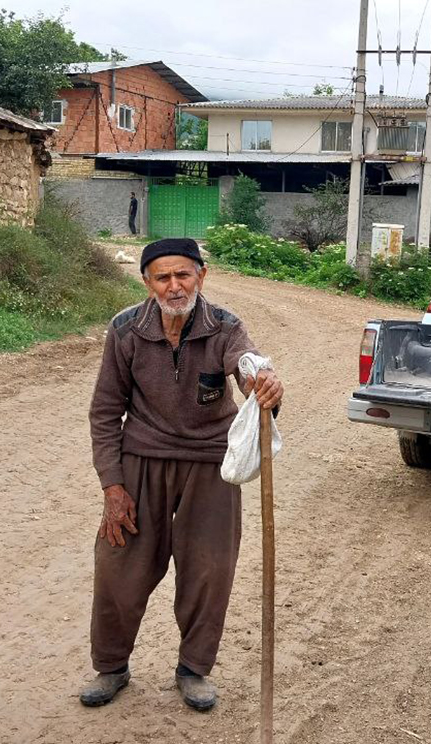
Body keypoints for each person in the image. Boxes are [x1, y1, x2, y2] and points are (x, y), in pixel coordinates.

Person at [83, 237, 283, 711]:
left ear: (201, 276)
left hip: (210, 464)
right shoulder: (126, 330)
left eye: (183, 275)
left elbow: (245, 363)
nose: (175, 286)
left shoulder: (224, 327)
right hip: (141, 462)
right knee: (118, 566)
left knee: (209, 569)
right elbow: (106, 411)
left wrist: (261, 381)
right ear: (147, 283)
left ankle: (193, 669)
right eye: (163, 277)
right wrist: (113, 484)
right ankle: (111, 667)